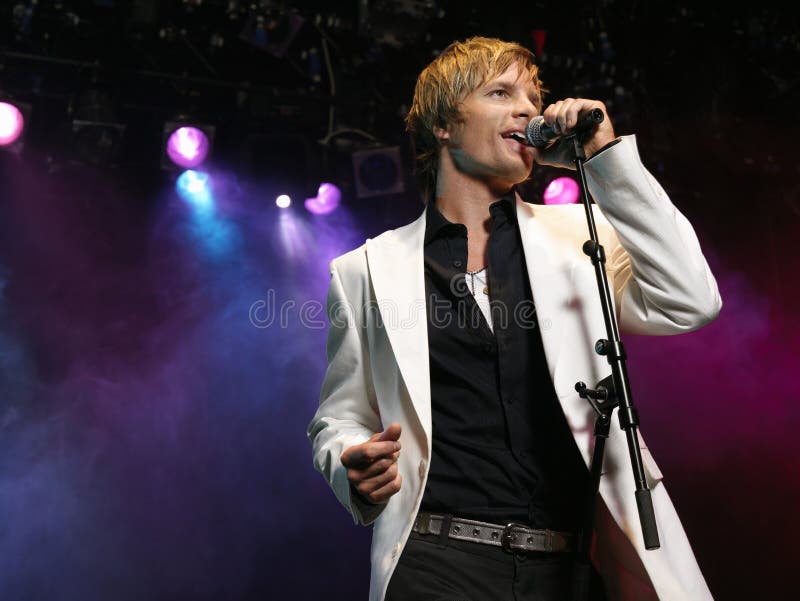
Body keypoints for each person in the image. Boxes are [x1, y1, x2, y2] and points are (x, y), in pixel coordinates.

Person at [308, 36, 721, 601]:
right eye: (501, 93)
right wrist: (350, 464)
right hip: (435, 561)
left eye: (533, 96)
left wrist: (605, 158)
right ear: (443, 126)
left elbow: (691, 299)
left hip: (571, 565)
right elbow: (340, 416)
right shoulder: (366, 270)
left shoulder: (582, 234)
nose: (528, 109)